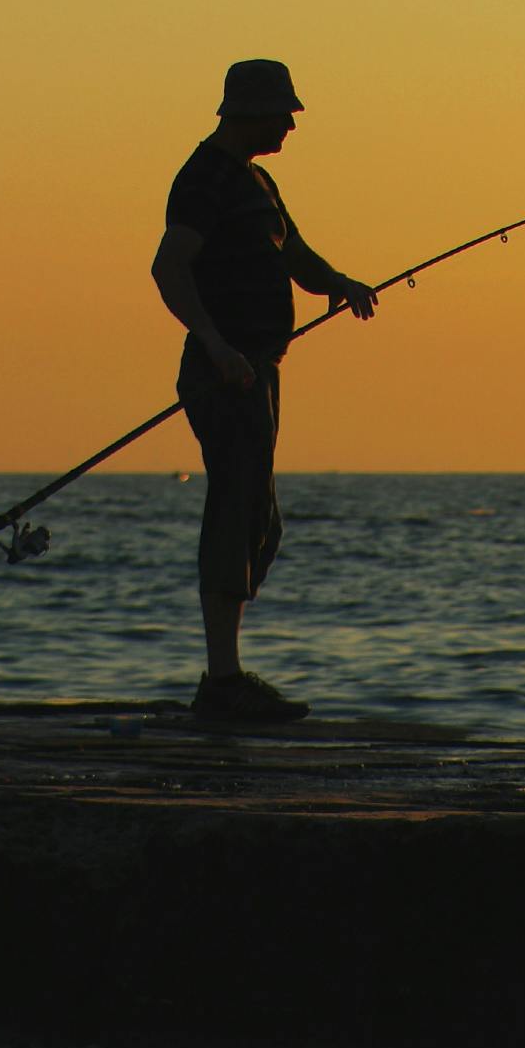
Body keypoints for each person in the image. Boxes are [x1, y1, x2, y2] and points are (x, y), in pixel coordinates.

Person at [149, 59, 377, 724]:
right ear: (249, 111)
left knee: (259, 523)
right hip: (225, 372)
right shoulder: (204, 179)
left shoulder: (258, 182)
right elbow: (168, 268)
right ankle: (222, 682)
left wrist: (340, 282)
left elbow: (294, 256)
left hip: (259, 369)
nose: (290, 124)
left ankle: (227, 675)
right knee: (235, 511)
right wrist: (217, 347)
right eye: (283, 112)